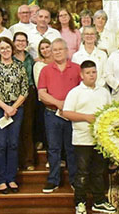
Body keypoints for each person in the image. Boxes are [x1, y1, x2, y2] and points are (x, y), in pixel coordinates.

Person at [62, 60, 116, 214]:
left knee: (99, 171)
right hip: (82, 138)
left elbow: (110, 112)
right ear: (81, 75)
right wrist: (86, 117)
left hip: (100, 138)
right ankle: (80, 202)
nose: (91, 75)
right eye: (88, 73)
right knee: (83, 172)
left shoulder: (104, 92)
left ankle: (99, 201)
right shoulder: (75, 92)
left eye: (94, 72)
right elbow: (66, 112)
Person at [0, 37, 29, 194]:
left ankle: (11, 178)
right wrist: (5, 107)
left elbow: (25, 90)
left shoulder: (19, 66)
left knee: (13, 144)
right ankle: (1, 180)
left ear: (12, 49)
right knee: (1, 144)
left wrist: (12, 108)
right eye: (2, 48)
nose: (5, 50)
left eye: (7, 47)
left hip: (16, 110)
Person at [37, 38, 81, 193]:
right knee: (54, 148)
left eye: (60, 49)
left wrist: (68, 107)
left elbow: (82, 91)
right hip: (52, 114)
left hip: (71, 115)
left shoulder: (77, 69)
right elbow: (42, 94)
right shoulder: (45, 70)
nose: (57, 52)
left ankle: (75, 180)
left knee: (72, 148)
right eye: (54, 50)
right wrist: (58, 103)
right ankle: (53, 180)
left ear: (66, 50)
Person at [13, 32, 37, 171]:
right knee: (16, 127)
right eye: (18, 40)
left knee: (28, 127)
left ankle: (28, 160)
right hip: (13, 95)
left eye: (23, 40)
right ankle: (16, 161)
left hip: (29, 93)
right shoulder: (9, 58)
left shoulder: (30, 58)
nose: (21, 43)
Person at [32, 39, 53, 151]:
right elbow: (38, 83)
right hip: (44, 98)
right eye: (42, 48)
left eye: (47, 47)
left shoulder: (58, 62)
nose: (45, 50)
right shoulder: (38, 65)